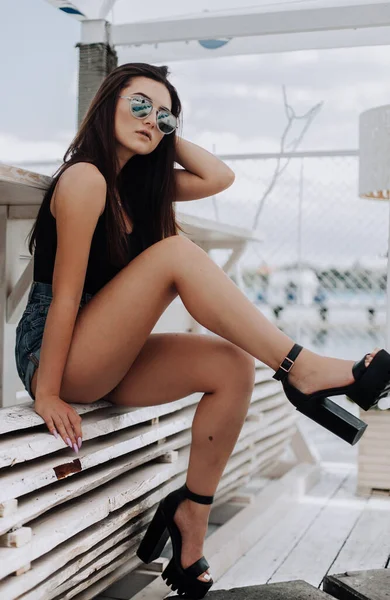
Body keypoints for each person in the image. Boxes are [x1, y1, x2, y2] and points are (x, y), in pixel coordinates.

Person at [14, 62, 390, 599]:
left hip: (103, 349)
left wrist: (162, 132)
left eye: (164, 116)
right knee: (175, 253)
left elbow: (219, 177)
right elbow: (66, 295)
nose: (152, 121)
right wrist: (48, 391)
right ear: (105, 104)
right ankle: (302, 368)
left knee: (231, 366)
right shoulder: (85, 178)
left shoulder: (139, 187)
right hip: (56, 347)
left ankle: (191, 517)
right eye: (138, 104)